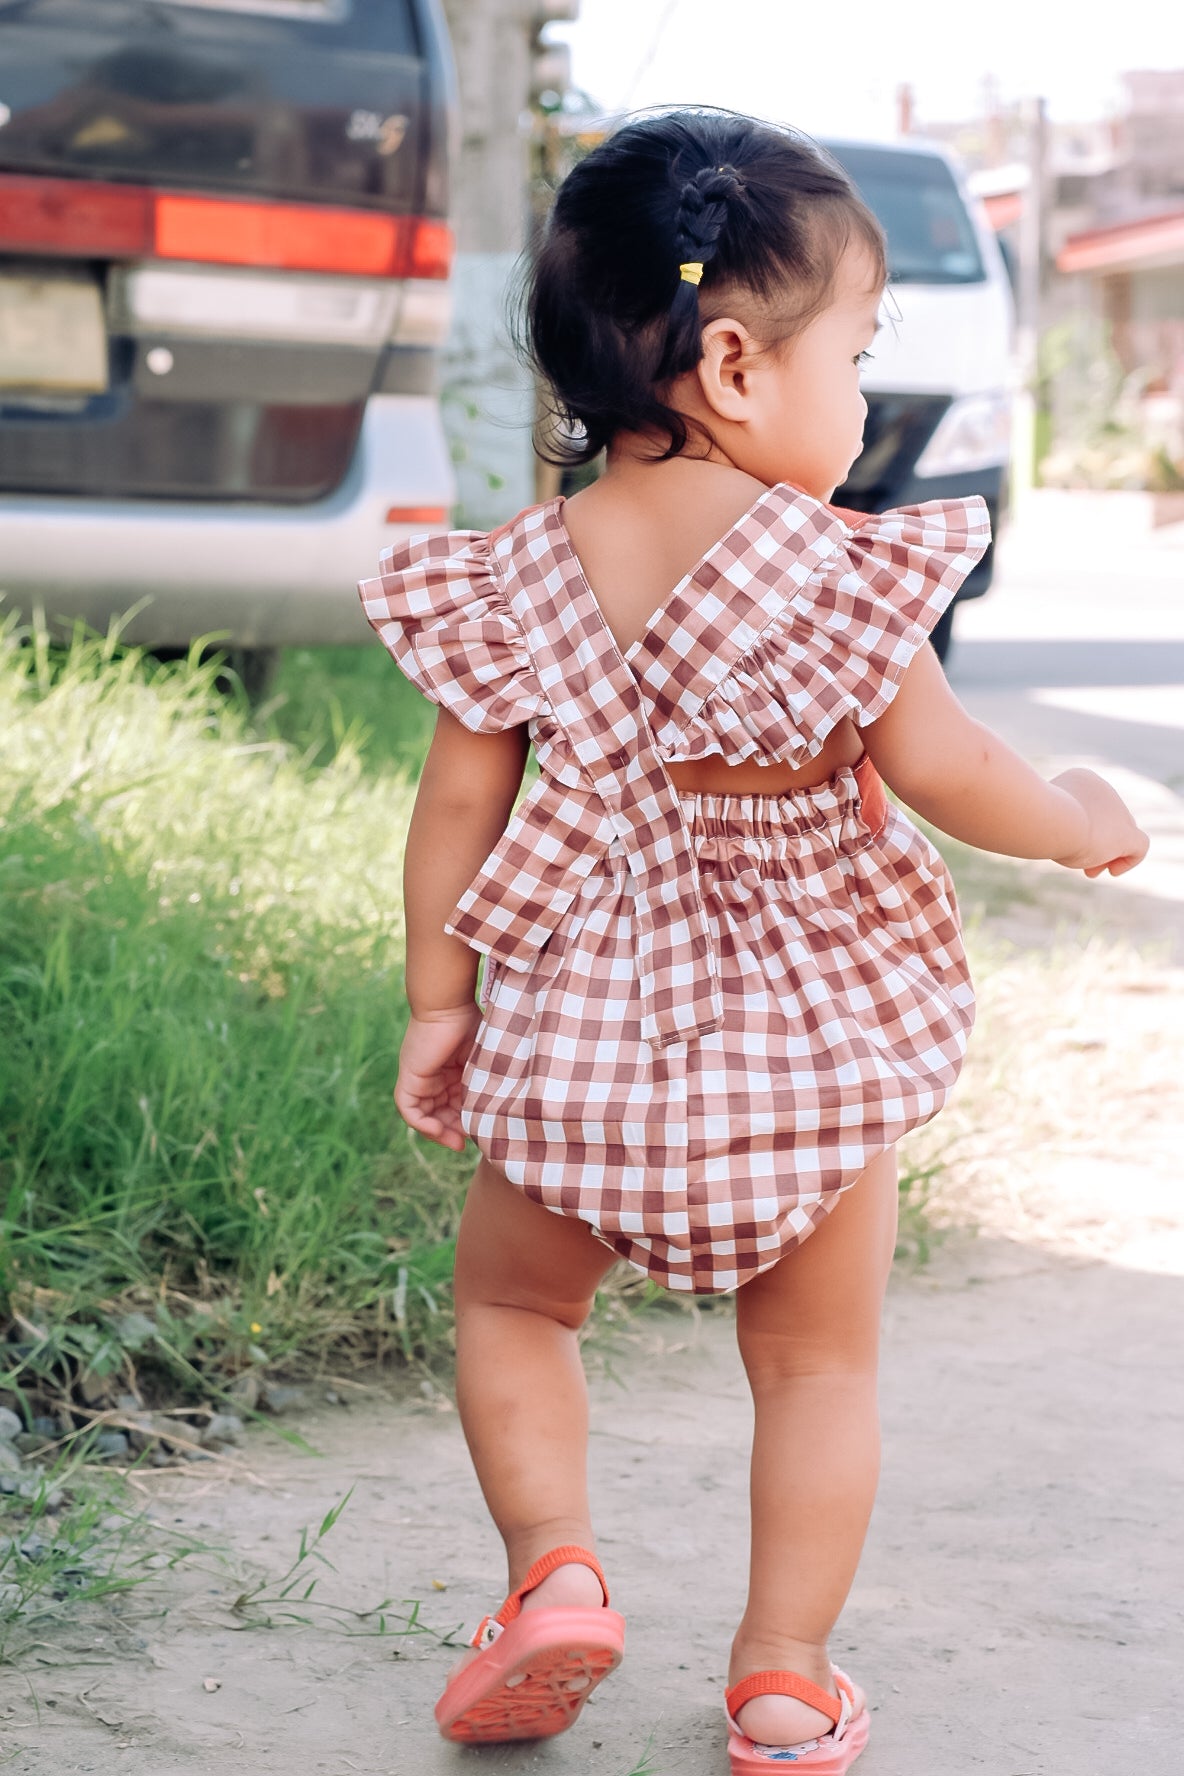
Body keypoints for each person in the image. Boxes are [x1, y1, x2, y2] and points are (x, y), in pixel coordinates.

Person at [358, 109, 1149, 1773]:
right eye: (854, 354)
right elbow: (952, 774)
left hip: (577, 1025)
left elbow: (453, 819)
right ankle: (783, 1679)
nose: (860, 398)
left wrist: (443, 1008)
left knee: (513, 1308)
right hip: (810, 1039)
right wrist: (1080, 813)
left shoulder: (517, 577)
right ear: (734, 363)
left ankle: (553, 1575)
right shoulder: (845, 581)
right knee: (815, 1367)